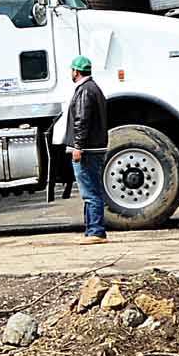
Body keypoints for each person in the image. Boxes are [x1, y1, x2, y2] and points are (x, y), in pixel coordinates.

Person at [65, 54, 109, 243]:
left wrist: (78, 146)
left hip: (87, 150)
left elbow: (81, 120)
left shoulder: (84, 91)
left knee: (89, 192)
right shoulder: (94, 89)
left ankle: (95, 232)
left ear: (76, 71)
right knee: (94, 191)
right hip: (95, 148)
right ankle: (93, 230)